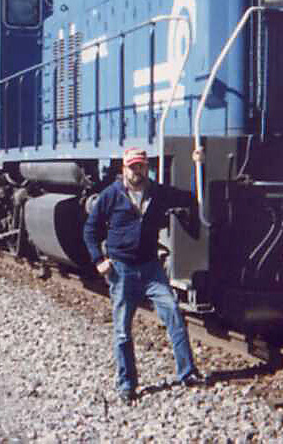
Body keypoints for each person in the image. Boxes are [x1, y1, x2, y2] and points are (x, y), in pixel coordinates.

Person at [83, 146, 204, 402]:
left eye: (141, 166)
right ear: (123, 169)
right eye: (132, 166)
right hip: (122, 270)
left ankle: (188, 372)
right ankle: (127, 384)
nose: (137, 171)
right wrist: (98, 260)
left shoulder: (158, 192)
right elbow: (90, 229)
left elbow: (189, 196)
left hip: (151, 268)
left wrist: (198, 165)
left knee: (173, 314)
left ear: (146, 168)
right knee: (123, 330)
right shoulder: (110, 195)